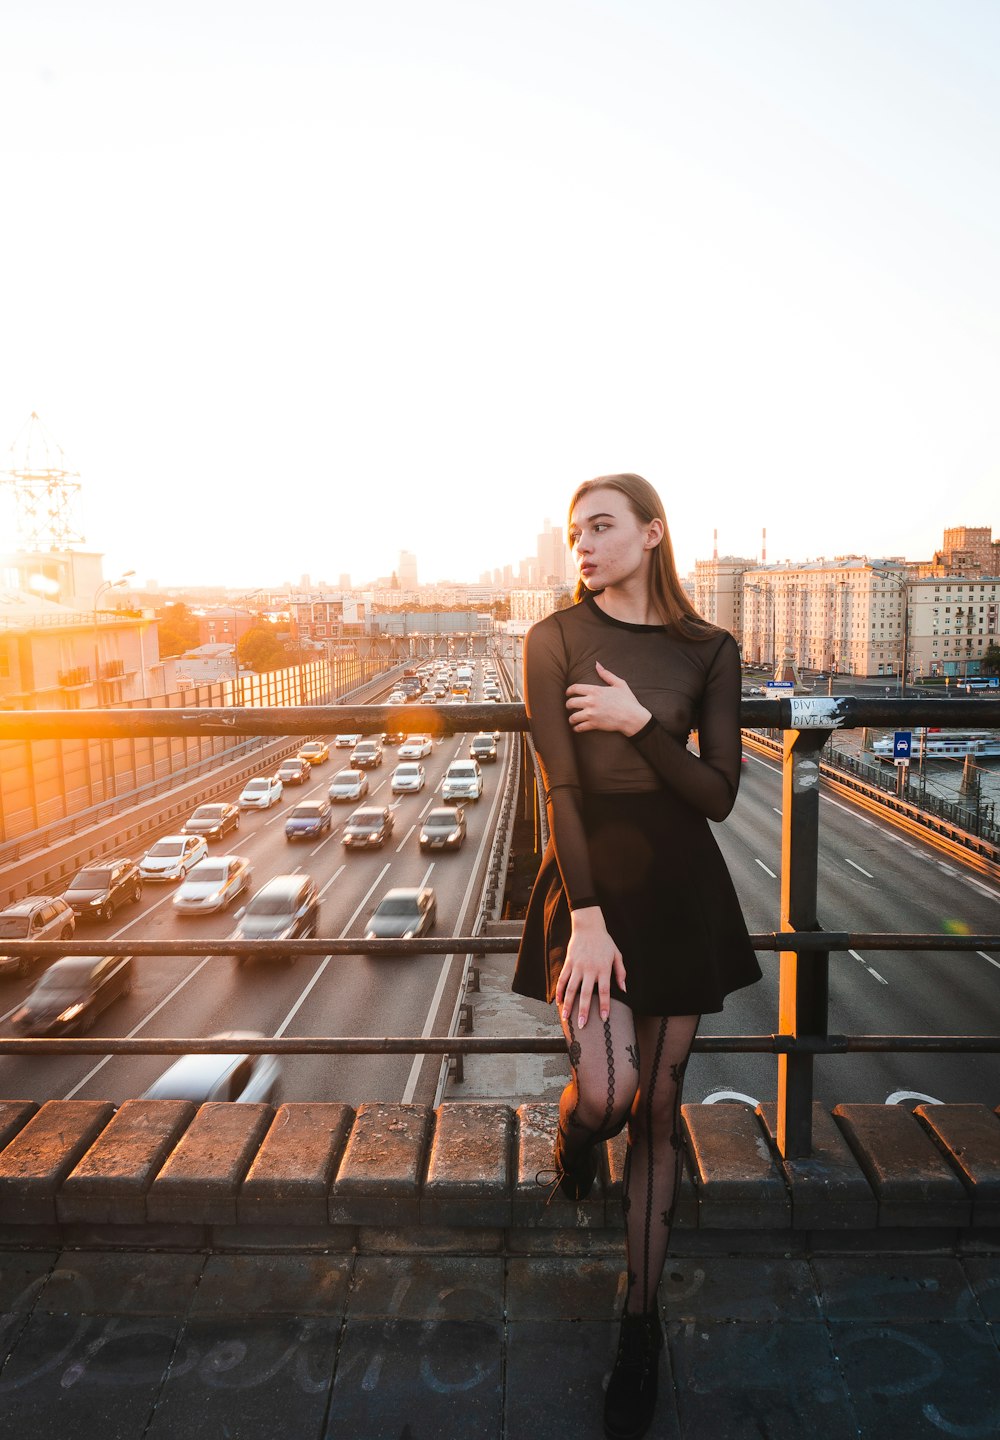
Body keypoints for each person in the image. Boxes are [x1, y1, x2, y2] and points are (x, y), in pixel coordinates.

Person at [513, 473, 762, 1440]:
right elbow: (560, 787)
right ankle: (576, 1140)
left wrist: (637, 723)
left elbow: (715, 793)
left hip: (682, 884)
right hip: (594, 887)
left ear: (653, 534)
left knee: (658, 1107)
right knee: (610, 1095)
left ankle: (640, 1323)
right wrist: (585, 916)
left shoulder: (710, 649)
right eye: (576, 531)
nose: (584, 543)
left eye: (603, 526)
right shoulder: (554, 639)